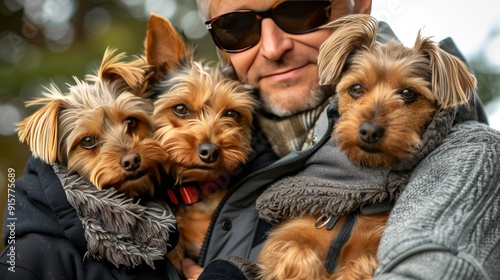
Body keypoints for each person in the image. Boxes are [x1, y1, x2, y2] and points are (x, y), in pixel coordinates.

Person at [181, 0, 500, 279]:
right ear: (220, 44)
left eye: (299, 9)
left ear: (359, 4)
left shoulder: (467, 157)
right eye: (234, 26)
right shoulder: (192, 153)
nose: (273, 47)